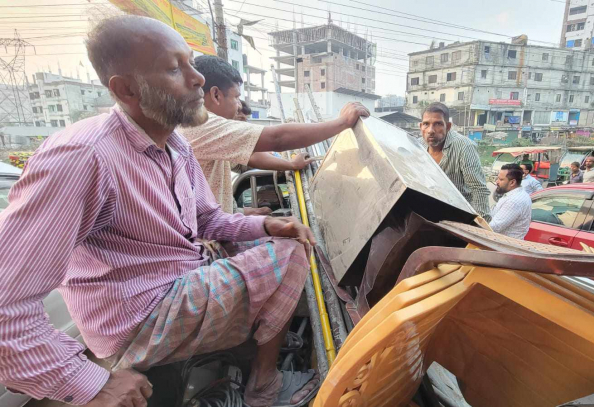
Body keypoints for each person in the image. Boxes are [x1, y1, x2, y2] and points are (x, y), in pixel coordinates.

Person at [0, 16, 320, 407]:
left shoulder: (175, 144)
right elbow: (6, 306)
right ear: (127, 90)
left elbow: (205, 220)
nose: (198, 79)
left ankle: (247, 350)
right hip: (139, 317)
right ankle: (264, 387)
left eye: (189, 62)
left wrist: (267, 222)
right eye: (174, 68)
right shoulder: (84, 156)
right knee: (291, 254)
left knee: (272, 239)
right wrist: (91, 382)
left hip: (174, 282)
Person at [179, 55, 369, 215]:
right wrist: (342, 122)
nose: (238, 105)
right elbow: (277, 138)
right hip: (208, 243)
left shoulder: (201, 127)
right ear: (216, 95)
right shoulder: (201, 125)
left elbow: (251, 155)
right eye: (236, 97)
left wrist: (290, 165)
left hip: (217, 225)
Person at [419, 102, 490, 218]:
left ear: (448, 126)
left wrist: (481, 225)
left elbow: (479, 189)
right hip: (427, 214)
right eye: (426, 124)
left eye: (438, 124)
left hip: (458, 217)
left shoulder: (464, 147)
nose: (431, 130)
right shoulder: (417, 146)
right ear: (421, 126)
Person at [489, 163, 532, 239]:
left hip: (503, 247)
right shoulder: (515, 194)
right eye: (498, 178)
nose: (497, 182)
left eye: (501, 179)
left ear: (512, 182)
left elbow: (493, 227)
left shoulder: (514, 201)